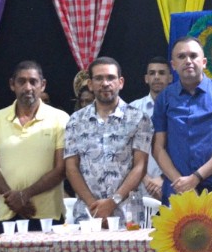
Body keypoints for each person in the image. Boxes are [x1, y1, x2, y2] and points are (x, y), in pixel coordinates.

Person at [151, 37, 212, 203]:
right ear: (173, 65)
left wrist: (195, 178)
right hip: (175, 190)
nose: (188, 61)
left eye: (193, 56)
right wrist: (180, 182)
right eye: (181, 57)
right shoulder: (164, 98)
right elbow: (158, 148)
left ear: (204, 62)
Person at [64, 56, 150, 225]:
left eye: (110, 78)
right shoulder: (75, 120)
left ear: (121, 82)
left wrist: (112, 202)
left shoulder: (139, 118)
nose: (105, 83)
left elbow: (140, 166)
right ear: (90, 84)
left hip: (127, 214)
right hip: (88, 214)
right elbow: (71, 168)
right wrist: (93, 205)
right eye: (99, 78)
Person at [0, 61, 70, 228]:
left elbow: (61, 169)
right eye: (21, 81)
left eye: (33, 81)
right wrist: (14, 200)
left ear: (42, 85)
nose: (28, 87)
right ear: (12, 85)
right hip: (8, 213)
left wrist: (24, 195)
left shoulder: (60, 118)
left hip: (48, 214)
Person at [129, 57, 174, 200]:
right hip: (141, 185)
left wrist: (163, 178)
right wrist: (146, 179)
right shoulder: (133, 109)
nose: (156, 77)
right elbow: (126, 150)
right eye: (152, 73)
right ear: (146, 78)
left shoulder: (181, 108)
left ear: (170, 78)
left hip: (173, 183)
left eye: (161, 73)